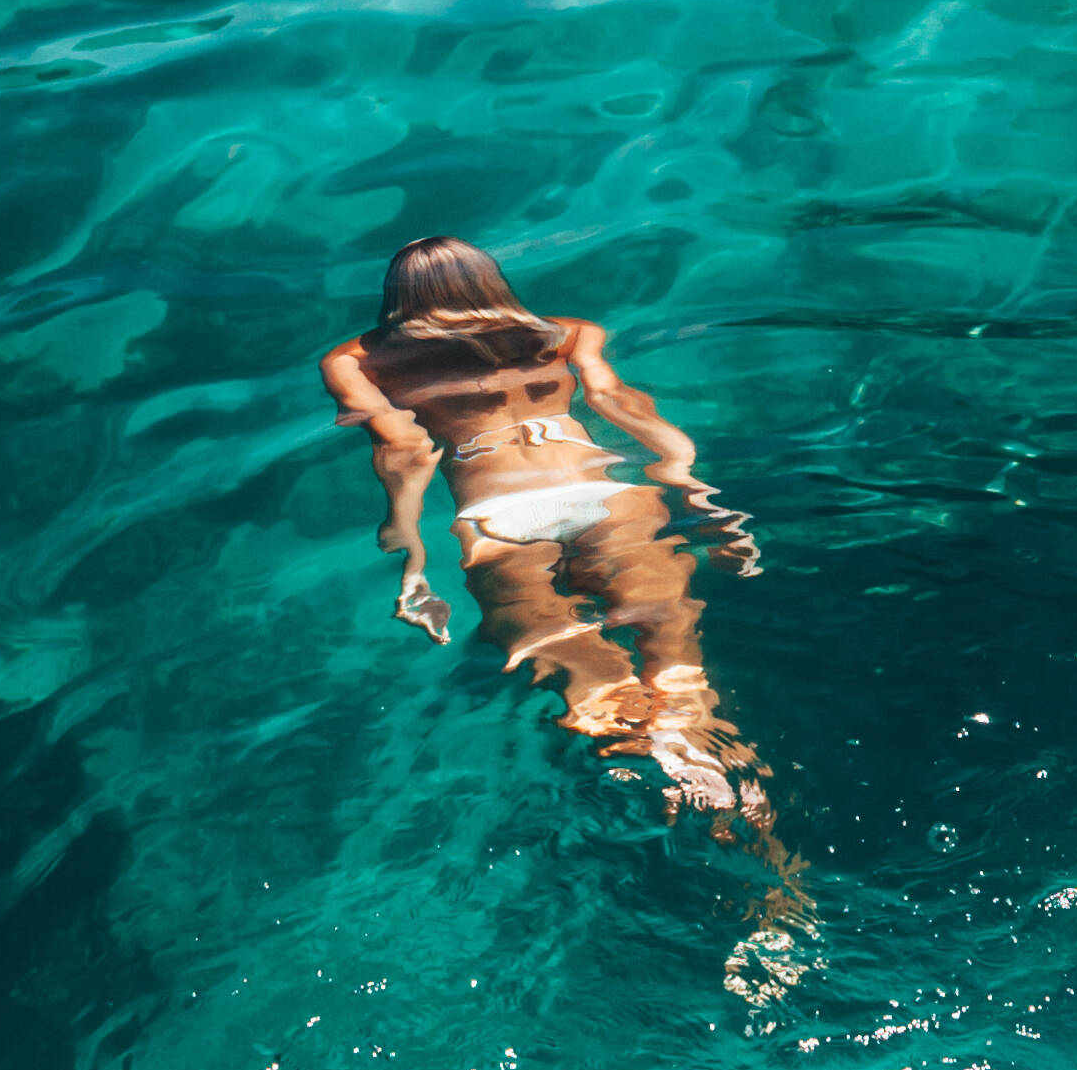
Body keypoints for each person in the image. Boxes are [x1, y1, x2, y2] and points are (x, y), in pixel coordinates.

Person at [322, 237, 769, 819]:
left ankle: (656, 762)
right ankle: (722, 780)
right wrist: (700, 494)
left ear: (397, 296)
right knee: (675, 650)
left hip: (499, 517)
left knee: (579, 669)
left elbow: (404, 453)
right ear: (490, 280)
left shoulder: (355, 361)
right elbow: (621, 403)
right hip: (607, 495)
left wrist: (412, 560)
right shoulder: (571, 333)